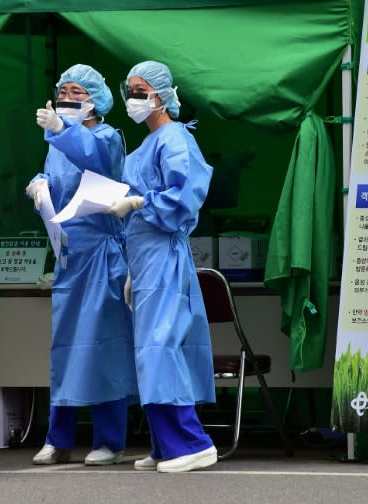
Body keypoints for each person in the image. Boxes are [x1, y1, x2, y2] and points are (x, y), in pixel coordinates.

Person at [107, 61, 218, 473]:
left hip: (166, 255)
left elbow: (185, 195)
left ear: (161, 94)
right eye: (130, 89)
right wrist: (134, 269)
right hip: (144, 258)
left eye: (141, 90)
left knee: (161, 349)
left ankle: (193, 442)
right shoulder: (140, 151)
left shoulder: (175, 138)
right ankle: (164, 444)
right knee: (148, 352)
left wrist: (140, 202)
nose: (133, 98)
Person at [25, 64, 137, 466]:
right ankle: (59, 438)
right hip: (70, 257)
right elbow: (59, 174)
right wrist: (38, 183)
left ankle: (110, 440)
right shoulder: (57, 141)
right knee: (67, 348)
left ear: (94, 99)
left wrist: (60, 129)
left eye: (76, 91)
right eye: (62, 90)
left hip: (103, 257)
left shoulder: (108, 137)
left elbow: (96, 161)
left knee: (103, 348)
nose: (68, 96)